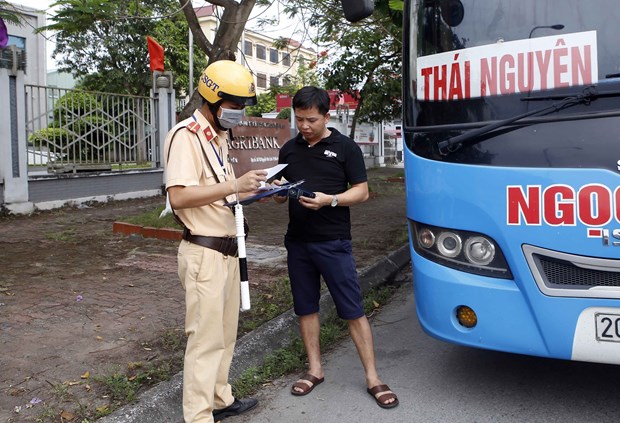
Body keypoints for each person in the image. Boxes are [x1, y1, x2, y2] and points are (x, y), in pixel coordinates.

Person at [273, 86, 399, 409]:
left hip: (333, 243)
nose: (304, 126)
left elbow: (362, 192)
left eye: (311, 120)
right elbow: (278, 192)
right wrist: (274, 189)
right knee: (305, 307)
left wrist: (330, 200)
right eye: (299, 119)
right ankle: (315, 369)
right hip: (298, 243)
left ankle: (373, 377)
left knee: (352, 309)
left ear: (327, 116)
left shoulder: (345, 148)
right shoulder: (288, 150)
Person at [164, 60, 267, 423]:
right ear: (212, 98)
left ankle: (221, 399)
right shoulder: (186, 136)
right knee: (204, 341)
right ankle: (197, 416)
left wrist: (253, 190)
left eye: (242, 106)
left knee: (225, 335)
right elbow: (178, 197)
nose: (238, 112)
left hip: (227, 250)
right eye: (234, 105)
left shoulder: (218, 137)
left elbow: (220, 194)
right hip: (203, 252)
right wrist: (235, 186)